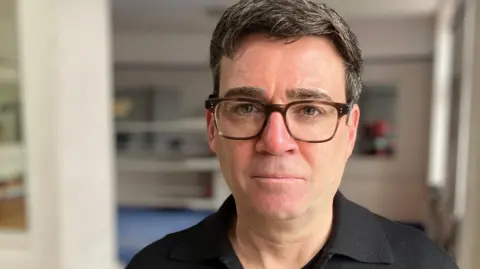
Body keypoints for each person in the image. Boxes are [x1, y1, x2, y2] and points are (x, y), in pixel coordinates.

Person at [126, 0, 459, 268]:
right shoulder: (150, 265)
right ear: (213, 127)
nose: (275, 142)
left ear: (350, 130)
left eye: (310, 110)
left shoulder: (424, 264)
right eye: (246, 108)